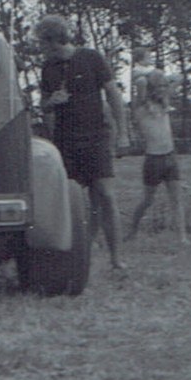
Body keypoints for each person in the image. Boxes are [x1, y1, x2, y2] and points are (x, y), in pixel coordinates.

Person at [36, 14, 127, 270]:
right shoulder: (48, 68)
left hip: (96, 137)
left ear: (54, 41)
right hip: (66, 142)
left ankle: (116, 259)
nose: (42, 49)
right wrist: (50, 102)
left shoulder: (91, 58)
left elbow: (113, 95)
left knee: (106, 195)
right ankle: (79, 254)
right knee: (74, 201)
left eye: (43, 43)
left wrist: (123, 134)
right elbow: (44, 106)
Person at [127, 58, 188, 244]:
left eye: (164, 86)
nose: (164, 89)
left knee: (176, 200)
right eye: (159, 87)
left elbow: (179, 77)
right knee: (147, 200)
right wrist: (150, 76)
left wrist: (161, 79)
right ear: (152, 88)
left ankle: (182, 238)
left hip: (170, 156)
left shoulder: (164, 104)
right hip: (153, 160)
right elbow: (140, 82)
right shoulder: (140, 108)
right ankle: (132, 231)